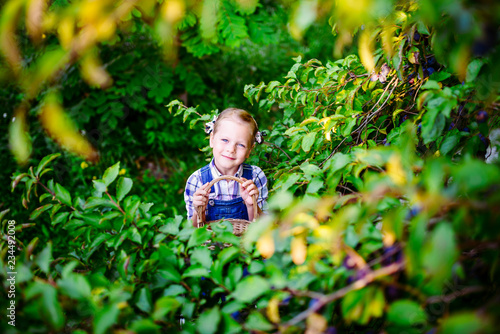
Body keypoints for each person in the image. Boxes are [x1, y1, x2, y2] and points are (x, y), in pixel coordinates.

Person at [184, 108, 268, 227]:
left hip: (246, 244)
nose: (231, 149)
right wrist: (199, 211)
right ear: (212, 140)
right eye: (225, 140)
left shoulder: (255, 177)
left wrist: (251, 205)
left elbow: (266, 227)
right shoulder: (197, 180)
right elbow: (191, 231)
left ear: (249, 150)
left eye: (240, 145)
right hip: (211, 244)